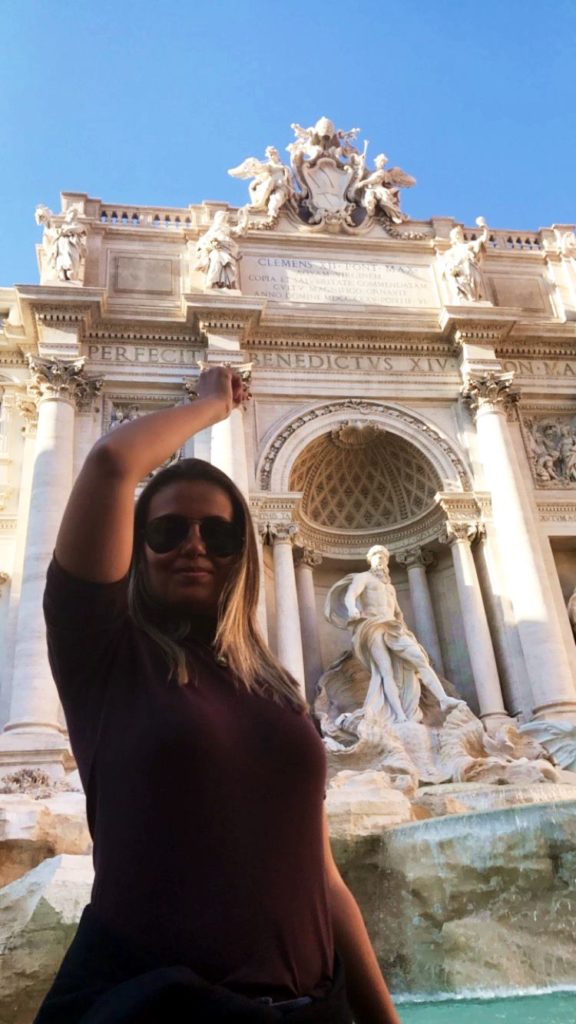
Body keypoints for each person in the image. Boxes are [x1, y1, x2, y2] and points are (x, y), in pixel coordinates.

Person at [34, 367, 401, 1024]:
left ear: (243, 555)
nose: (193, 546)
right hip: (167, 1011)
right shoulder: (108, 658)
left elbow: (320, 875)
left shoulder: (276, 691)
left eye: (219, 533)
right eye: (168, 531)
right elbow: (113, 462)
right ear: (137, 550)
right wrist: (208, 408)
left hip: (316, 1008)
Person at [326, 545, 462, 727]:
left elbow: (397, 612)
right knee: (385, 671)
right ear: (370, 559)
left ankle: (443, 699)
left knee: (419, 660)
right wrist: (352, 609)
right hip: (373, 626)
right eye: (376, 556)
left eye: (383, 556)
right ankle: (399, 716)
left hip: (394, 628)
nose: (380, 559)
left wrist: (404, 629)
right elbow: (350, 596)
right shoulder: (363, 578)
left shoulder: (389, 587)